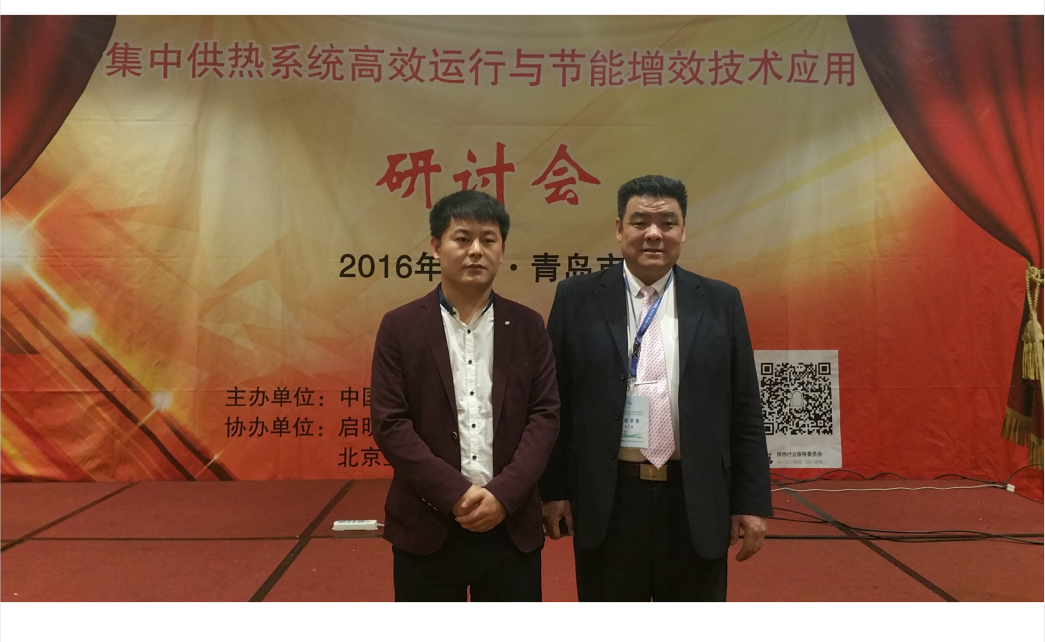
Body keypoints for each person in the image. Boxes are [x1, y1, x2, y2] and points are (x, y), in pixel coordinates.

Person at [538, 174, 772, 601]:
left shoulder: (720, 301)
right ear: (619, 228)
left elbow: (744, 409)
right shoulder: (576, 298)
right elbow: (556, 404)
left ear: (683, 230)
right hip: (608, 497)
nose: (653, 233)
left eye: (667, 223)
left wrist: (751, 502)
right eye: (640, 221)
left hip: (695, 496)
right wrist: (553, 491)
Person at [371, 189, 560, 601]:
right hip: (427, 525)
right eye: (462, 239)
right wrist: (454, 493)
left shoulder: (528, 326)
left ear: (502, 249)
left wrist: (502, 495)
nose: (476, 250)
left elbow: (545, 416)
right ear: (436, 247)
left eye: (488, 239)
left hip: (510, 527)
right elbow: (390, 423)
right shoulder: (399, 326)